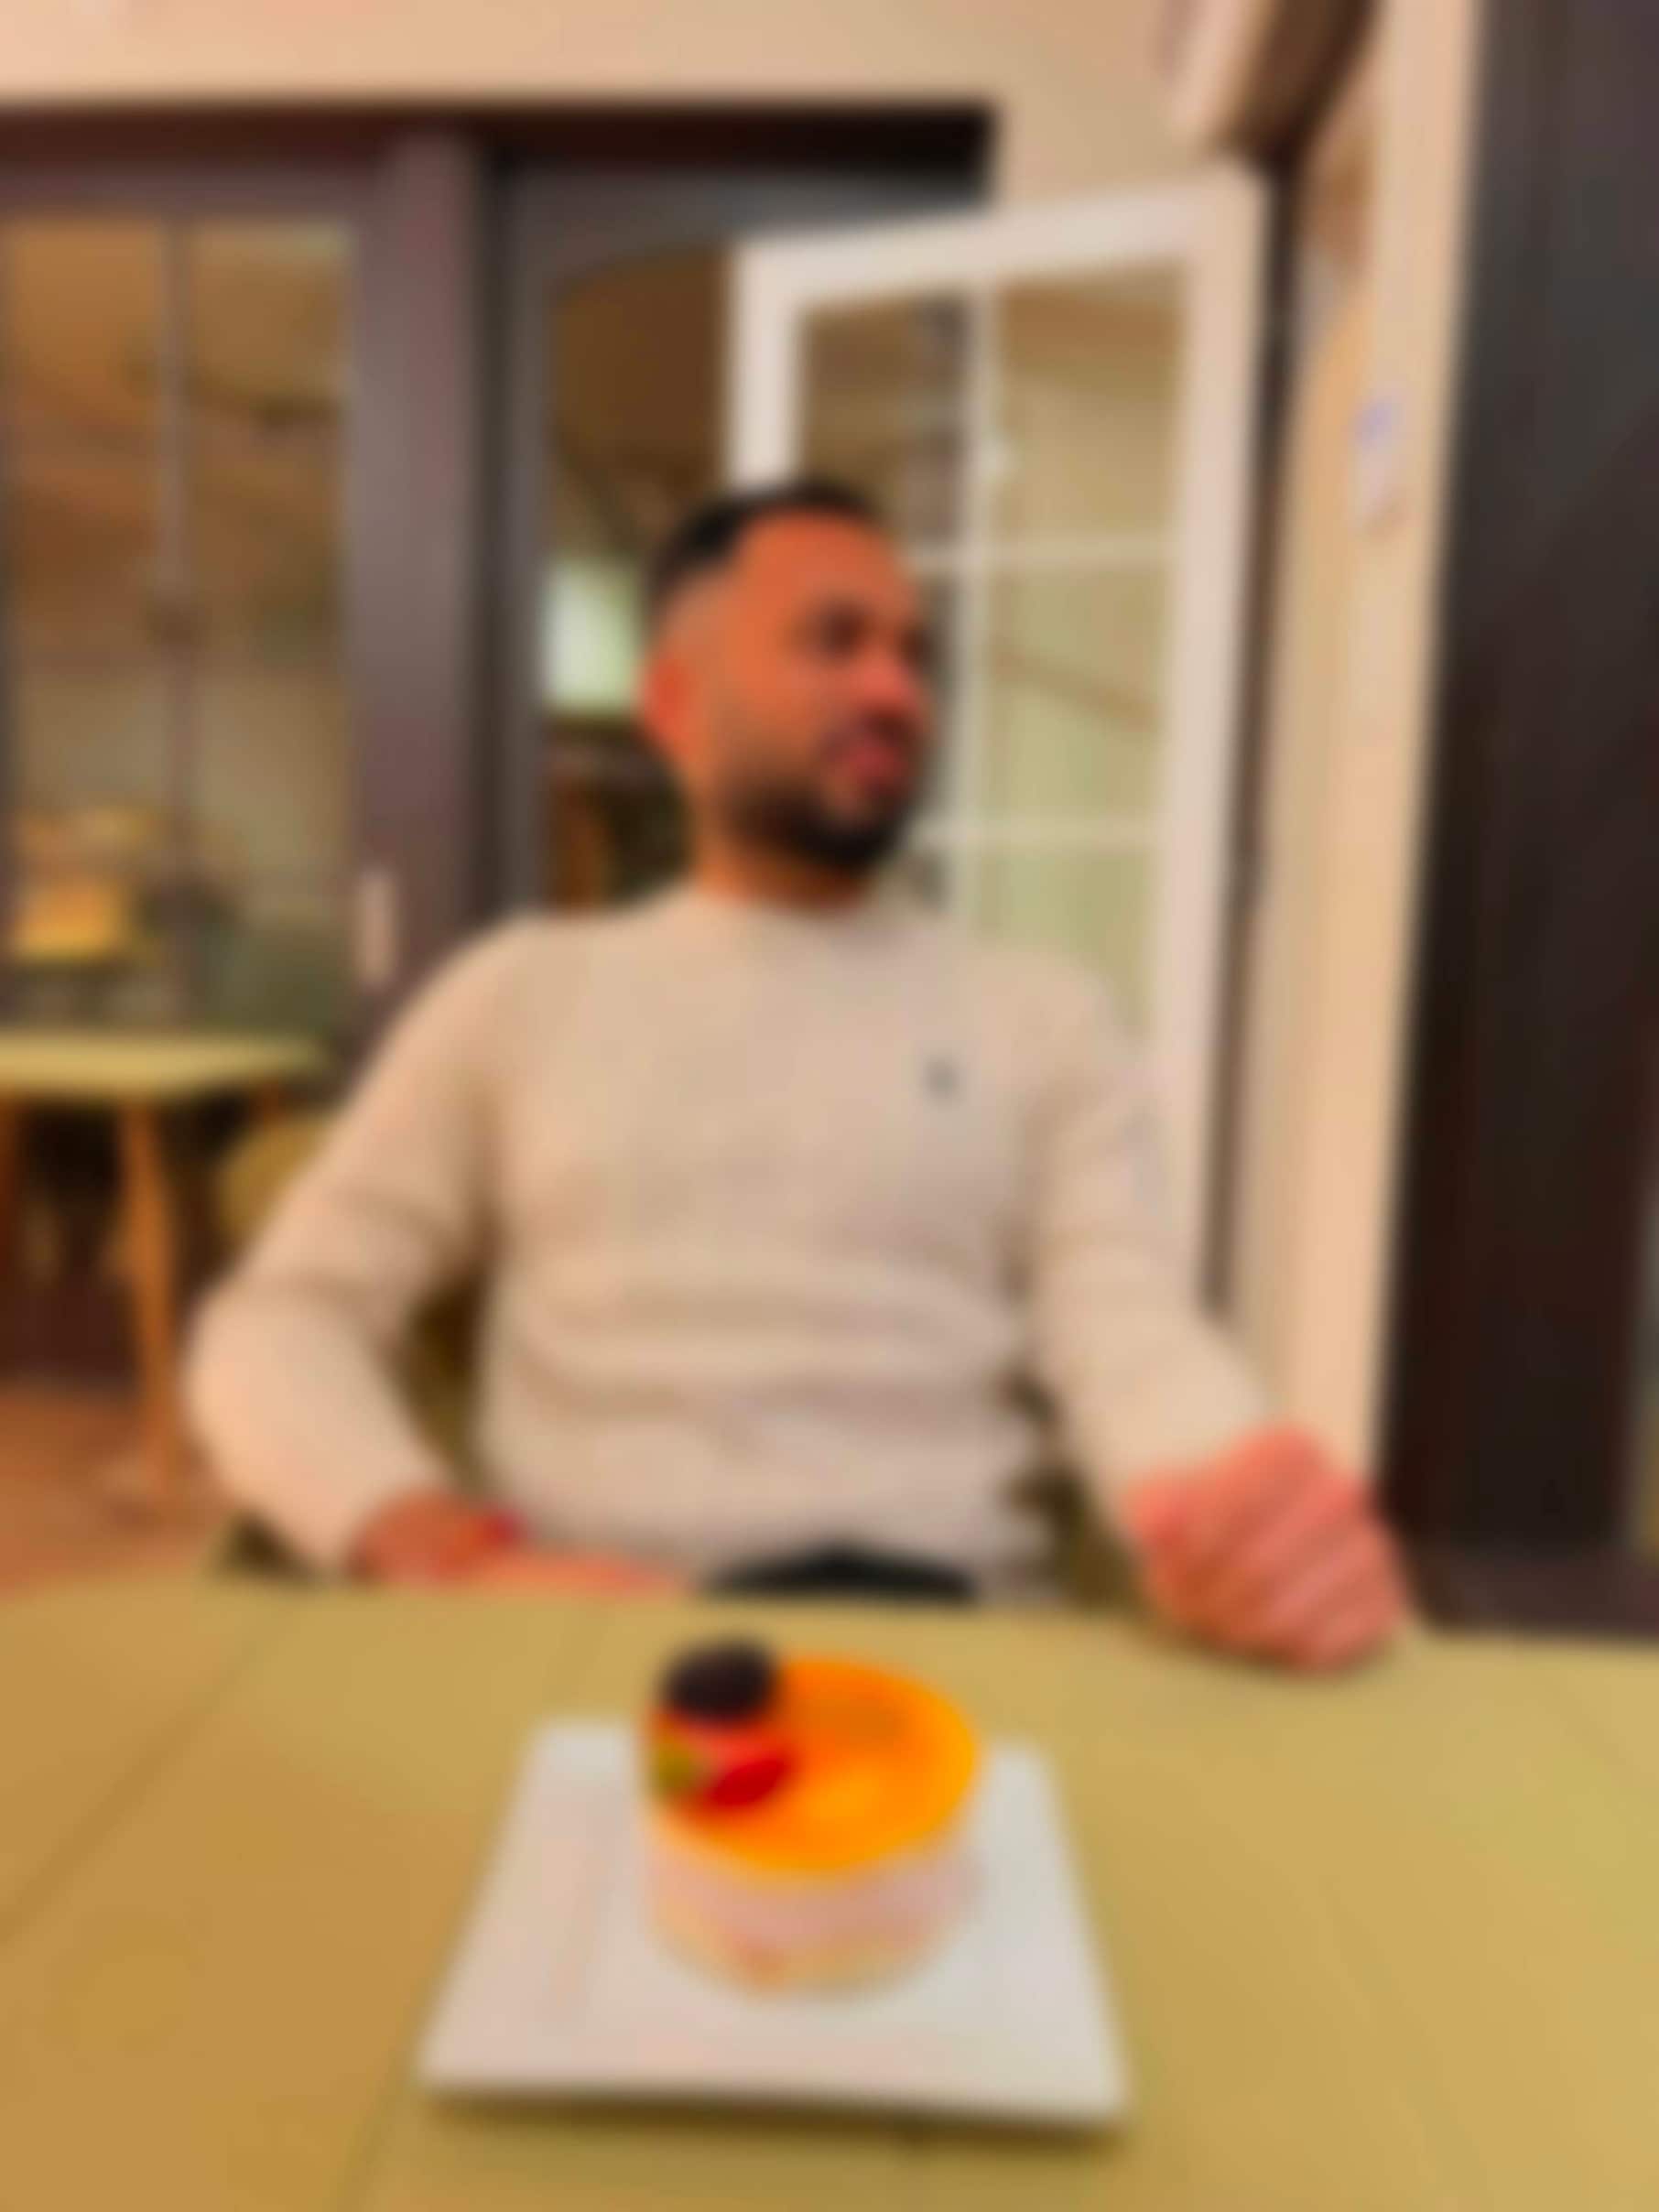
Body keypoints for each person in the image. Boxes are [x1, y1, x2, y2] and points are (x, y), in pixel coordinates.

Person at [189, 481, 1404, 1667]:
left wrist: (1236, 1509)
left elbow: (1128, 1331)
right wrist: (432, 1549)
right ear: (675, 704)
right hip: (593, 1652)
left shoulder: (1047, 1014)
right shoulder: (521, 994)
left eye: (914, 656)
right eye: (834, 641)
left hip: (961, 1659)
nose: (896, 691)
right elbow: (279, 1321)